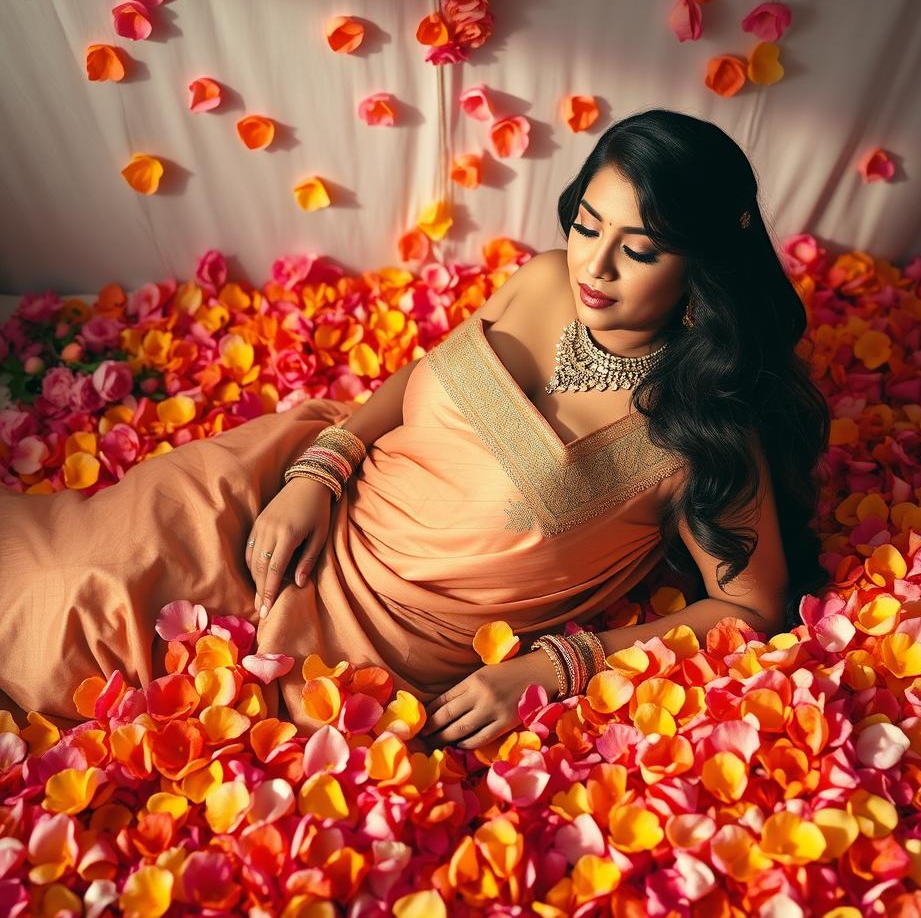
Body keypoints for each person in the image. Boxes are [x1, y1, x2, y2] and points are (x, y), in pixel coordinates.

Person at [0, 109, 831, 752]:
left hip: (363, 640)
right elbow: (427, 376)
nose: (594, 267)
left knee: (69, 627)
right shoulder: (542, 280)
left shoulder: (704, 425)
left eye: (638, 250)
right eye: (587, 226)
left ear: (701, 269)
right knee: (61, 561)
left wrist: (560, 666)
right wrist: (317, 473)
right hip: (289, 498)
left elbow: (748, 606)